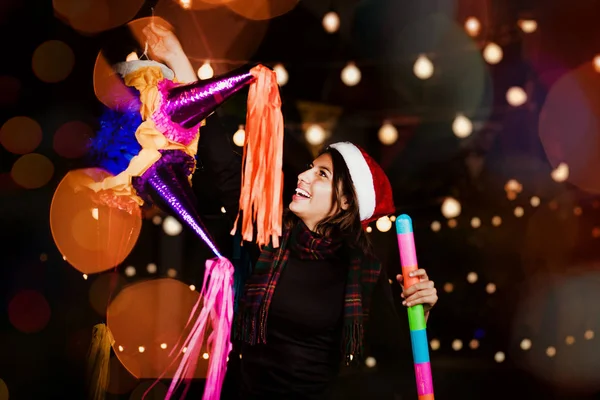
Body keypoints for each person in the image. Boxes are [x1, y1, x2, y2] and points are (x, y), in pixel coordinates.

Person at [142, 23, 439, 399]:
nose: (303, 175)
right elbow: (216, 147)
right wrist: (175, 56)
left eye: (322, 174)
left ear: (347, 201)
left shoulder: (360, 268)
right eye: (311, 167)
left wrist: (419, 314)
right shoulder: (267, 230)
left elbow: (394, 350)